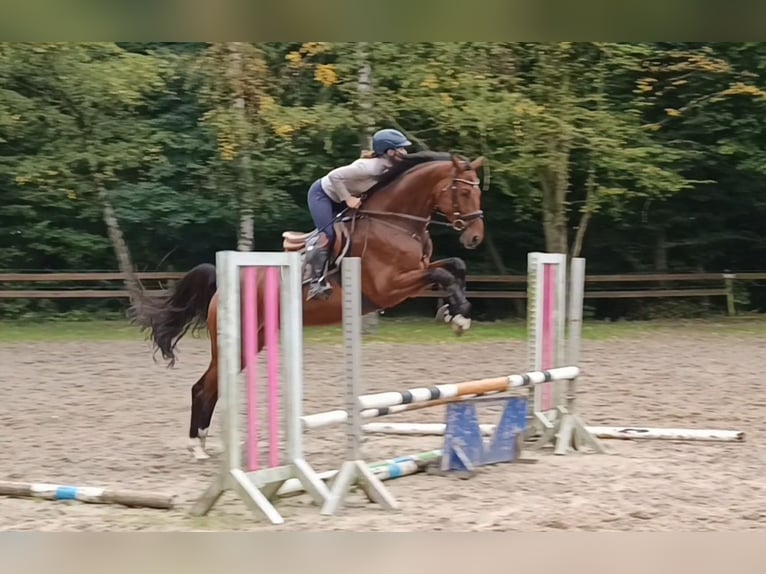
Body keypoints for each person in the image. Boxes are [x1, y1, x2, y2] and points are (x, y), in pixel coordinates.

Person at [305, 128, 412, 300]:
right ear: (389, 151)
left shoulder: (391, 166)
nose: (405, 152)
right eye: (401, 149)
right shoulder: (368, 167)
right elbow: (334, 176)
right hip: (323, 195)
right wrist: (347, 199)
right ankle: (315, 283)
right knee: (329, 234)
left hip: (344, 196)